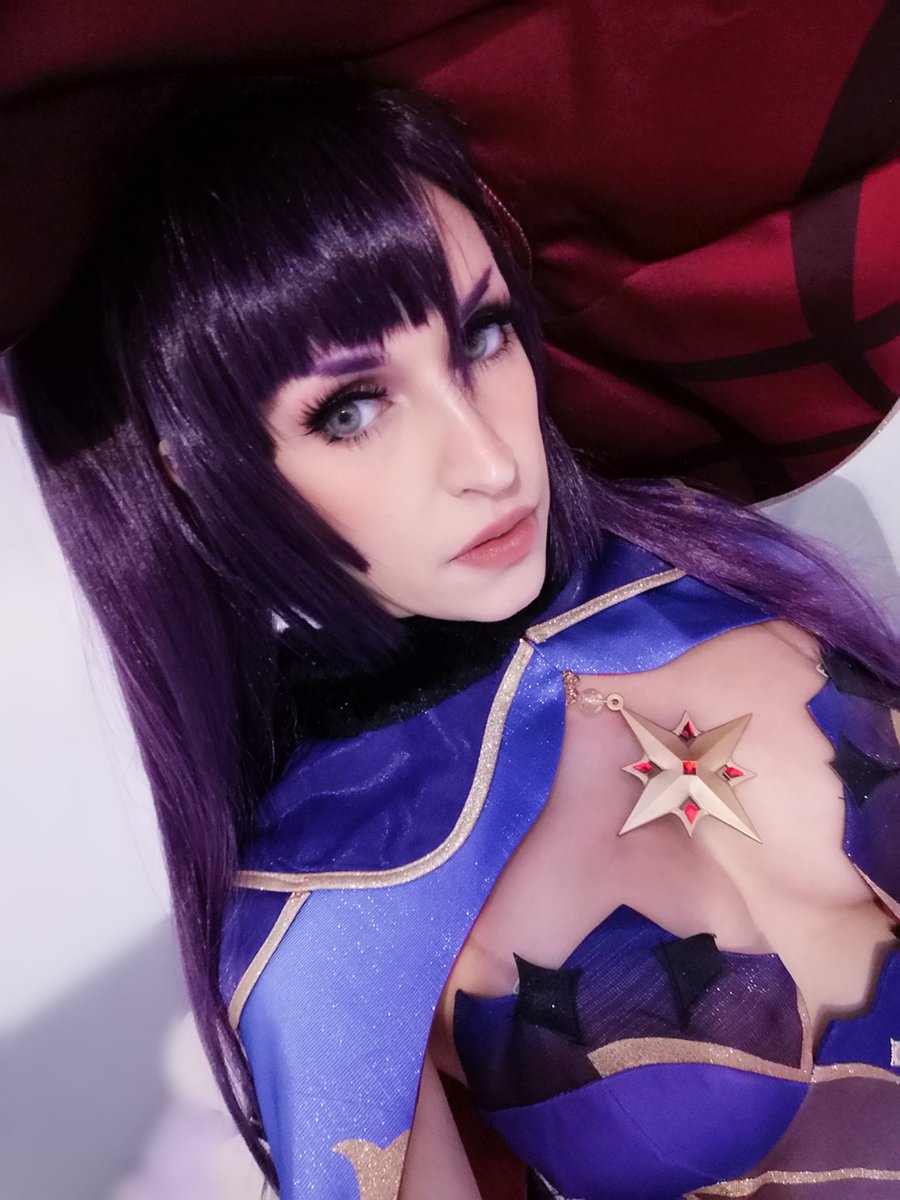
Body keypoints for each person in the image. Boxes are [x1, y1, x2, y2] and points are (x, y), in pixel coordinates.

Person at [7, 77, 900, 1200]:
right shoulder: (327, 918)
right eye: (351, 409)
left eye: (481, 335)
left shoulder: (730, 574)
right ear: (198, 477)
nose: (487, 458)